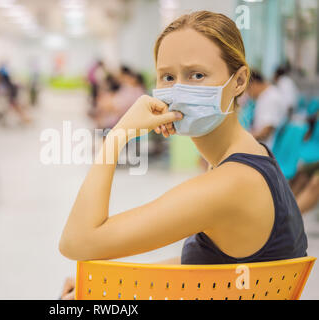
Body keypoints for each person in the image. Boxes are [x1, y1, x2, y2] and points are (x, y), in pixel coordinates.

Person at [59, 11, 307, 299]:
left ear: (239, 81)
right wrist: (103, 284)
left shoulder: (231, 184)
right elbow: (209, 269)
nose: (179, 89)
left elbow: (76, 242)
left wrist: (118, 135)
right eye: (167, 76)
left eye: (197, 75)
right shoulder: (250, 155)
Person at [246, 69, 287, 148]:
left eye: (247, 90)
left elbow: (265, 132)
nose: (248, 94)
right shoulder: (265, 95)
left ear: (254, 84)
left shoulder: (270, 98)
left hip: (265, 148)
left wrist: (243, 138)